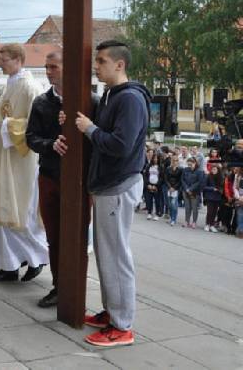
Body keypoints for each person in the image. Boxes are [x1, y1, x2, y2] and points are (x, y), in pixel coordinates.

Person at [73, 40, 149, 347]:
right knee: (106, 254)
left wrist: (90, 129)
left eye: (102, 61)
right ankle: (112, 312)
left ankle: (122, 327)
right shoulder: (111, 95)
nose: (96, 65)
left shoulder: (129, 99)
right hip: (108, 185)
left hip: (118, 185)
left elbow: (120, 145)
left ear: (120, 64)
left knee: (116, 256)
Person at [25, 48, 94, 308]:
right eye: (47, 67)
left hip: (79, 179)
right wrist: (50, 144)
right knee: (53, 235)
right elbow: (31, 138)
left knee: (77, 236)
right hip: (50, 176)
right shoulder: (42, 102)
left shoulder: (91, 101)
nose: (48, 71)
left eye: (53, 66)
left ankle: (77, 287)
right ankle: (58, 285)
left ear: (69, 67)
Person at [0, 44, 48, 282]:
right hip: (5, 157)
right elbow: (1, 117)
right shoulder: (10, 85)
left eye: (4, 60)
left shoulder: (30, 87)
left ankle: (36, 258)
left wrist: (6, 125)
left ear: (18, 60)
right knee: (3, 210)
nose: (0, 64)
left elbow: (35, 126)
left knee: (20, 213)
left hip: (22, 161)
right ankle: (8, 266)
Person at [181, 157, 204, 228]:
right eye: (188, 164)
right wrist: (187, 189)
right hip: (186, 191)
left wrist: (191, 189)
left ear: (195, 163)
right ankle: (186, 221)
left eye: (191, 164)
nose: (189, 165)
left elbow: (199, 182)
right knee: (187, 207)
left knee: (194, 208)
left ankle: (194, 222)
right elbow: (182, 180)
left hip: (195, 192)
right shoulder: (185, 170)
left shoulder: (199, 171)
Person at [143, 149, 164, 220]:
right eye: (154, 158)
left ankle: (157, 214)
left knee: (157, 201)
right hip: (149, 186)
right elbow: (145, 176)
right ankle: (149, 213)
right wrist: (148, 185)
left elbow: (162, 178)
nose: (155, 159)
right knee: (149, 200)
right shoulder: (148, 166)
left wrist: (156, 185)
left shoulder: (161, 167)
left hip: (157, 187)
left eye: (157, 158)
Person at [203, 164, 223, 232]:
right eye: (212, 169)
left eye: (215, 169)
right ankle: (207, 224)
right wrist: (212, 188)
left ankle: (212, 225)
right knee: (209, 212)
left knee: (215, 212)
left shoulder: (221, 177)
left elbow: (222, 187)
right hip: (210, 197)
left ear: (218, 170)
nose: (213, 171)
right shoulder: (208, 176)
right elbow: (204, 187)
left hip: (217, 197)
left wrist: (220, 190)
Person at [164, 156, 183, 226]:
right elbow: (165, 179)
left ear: (178, 161)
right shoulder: (168, 168)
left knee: (174, 204)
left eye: (176, 160)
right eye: (174, 160)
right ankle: (171, 218)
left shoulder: (180, 169)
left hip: (176, 189)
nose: (175, 162)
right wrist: (169, 187)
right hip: (169, 188)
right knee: (169, 204)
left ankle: (173, 219)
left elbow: (180, 180)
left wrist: (174, 188)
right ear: (171, 161)